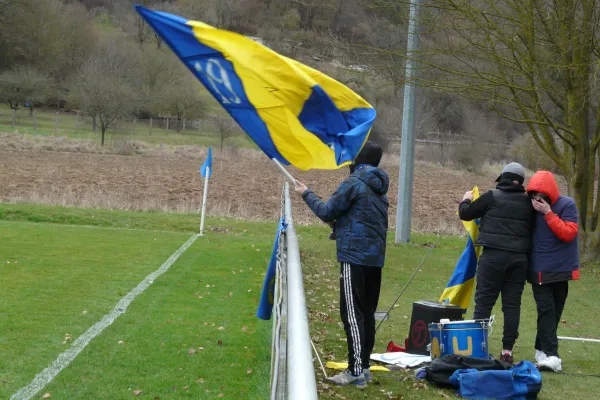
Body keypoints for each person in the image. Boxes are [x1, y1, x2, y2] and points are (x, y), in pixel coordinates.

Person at [294, 141, 389, 388]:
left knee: (352, 314)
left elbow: (327, 211)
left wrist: (306, 193)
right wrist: (340, 226)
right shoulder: (379, 188)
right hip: (375, 259)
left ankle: (355, 370)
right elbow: (359, 219)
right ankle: (365, 366)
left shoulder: (354, 183)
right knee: (366, 313)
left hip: (354, 257)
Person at [458, 162, 534, 364]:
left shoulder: (492, 196)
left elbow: (465, 214)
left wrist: (465, 200)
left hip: (492, 257)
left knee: (483, 302)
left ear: (503, 178)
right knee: (512, 305)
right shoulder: (530, 202)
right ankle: (507, 351)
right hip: (519, 259)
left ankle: (477, 348)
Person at [526, 171, 579, 372]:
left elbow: (569, 233)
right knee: (546, 311)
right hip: (539, 268)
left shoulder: (567, 205)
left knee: (554, 312)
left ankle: (541, 349)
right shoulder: (528, 207)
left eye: (540, 195)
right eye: (533, 195)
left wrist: (548, 213)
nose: (536, 199)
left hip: (562, 269)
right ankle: (553, 356)